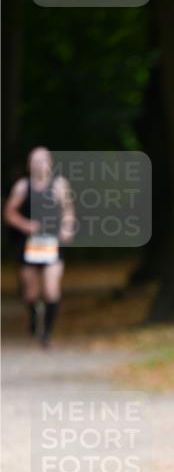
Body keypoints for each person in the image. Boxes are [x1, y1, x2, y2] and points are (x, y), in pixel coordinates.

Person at [3, 146, 75, 347]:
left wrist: (67, 228)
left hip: (52, 244)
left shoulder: (59, 185)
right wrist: (25, 225)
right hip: (29, 245)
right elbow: (9, 212)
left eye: (43, 160)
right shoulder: (22, 187)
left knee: (52, 290)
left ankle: (47, 333)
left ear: (50, 163)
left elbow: (68, 210)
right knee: (31, 293)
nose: (39, 165)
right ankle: (34, 317)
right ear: (29, 165)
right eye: (35, 161)